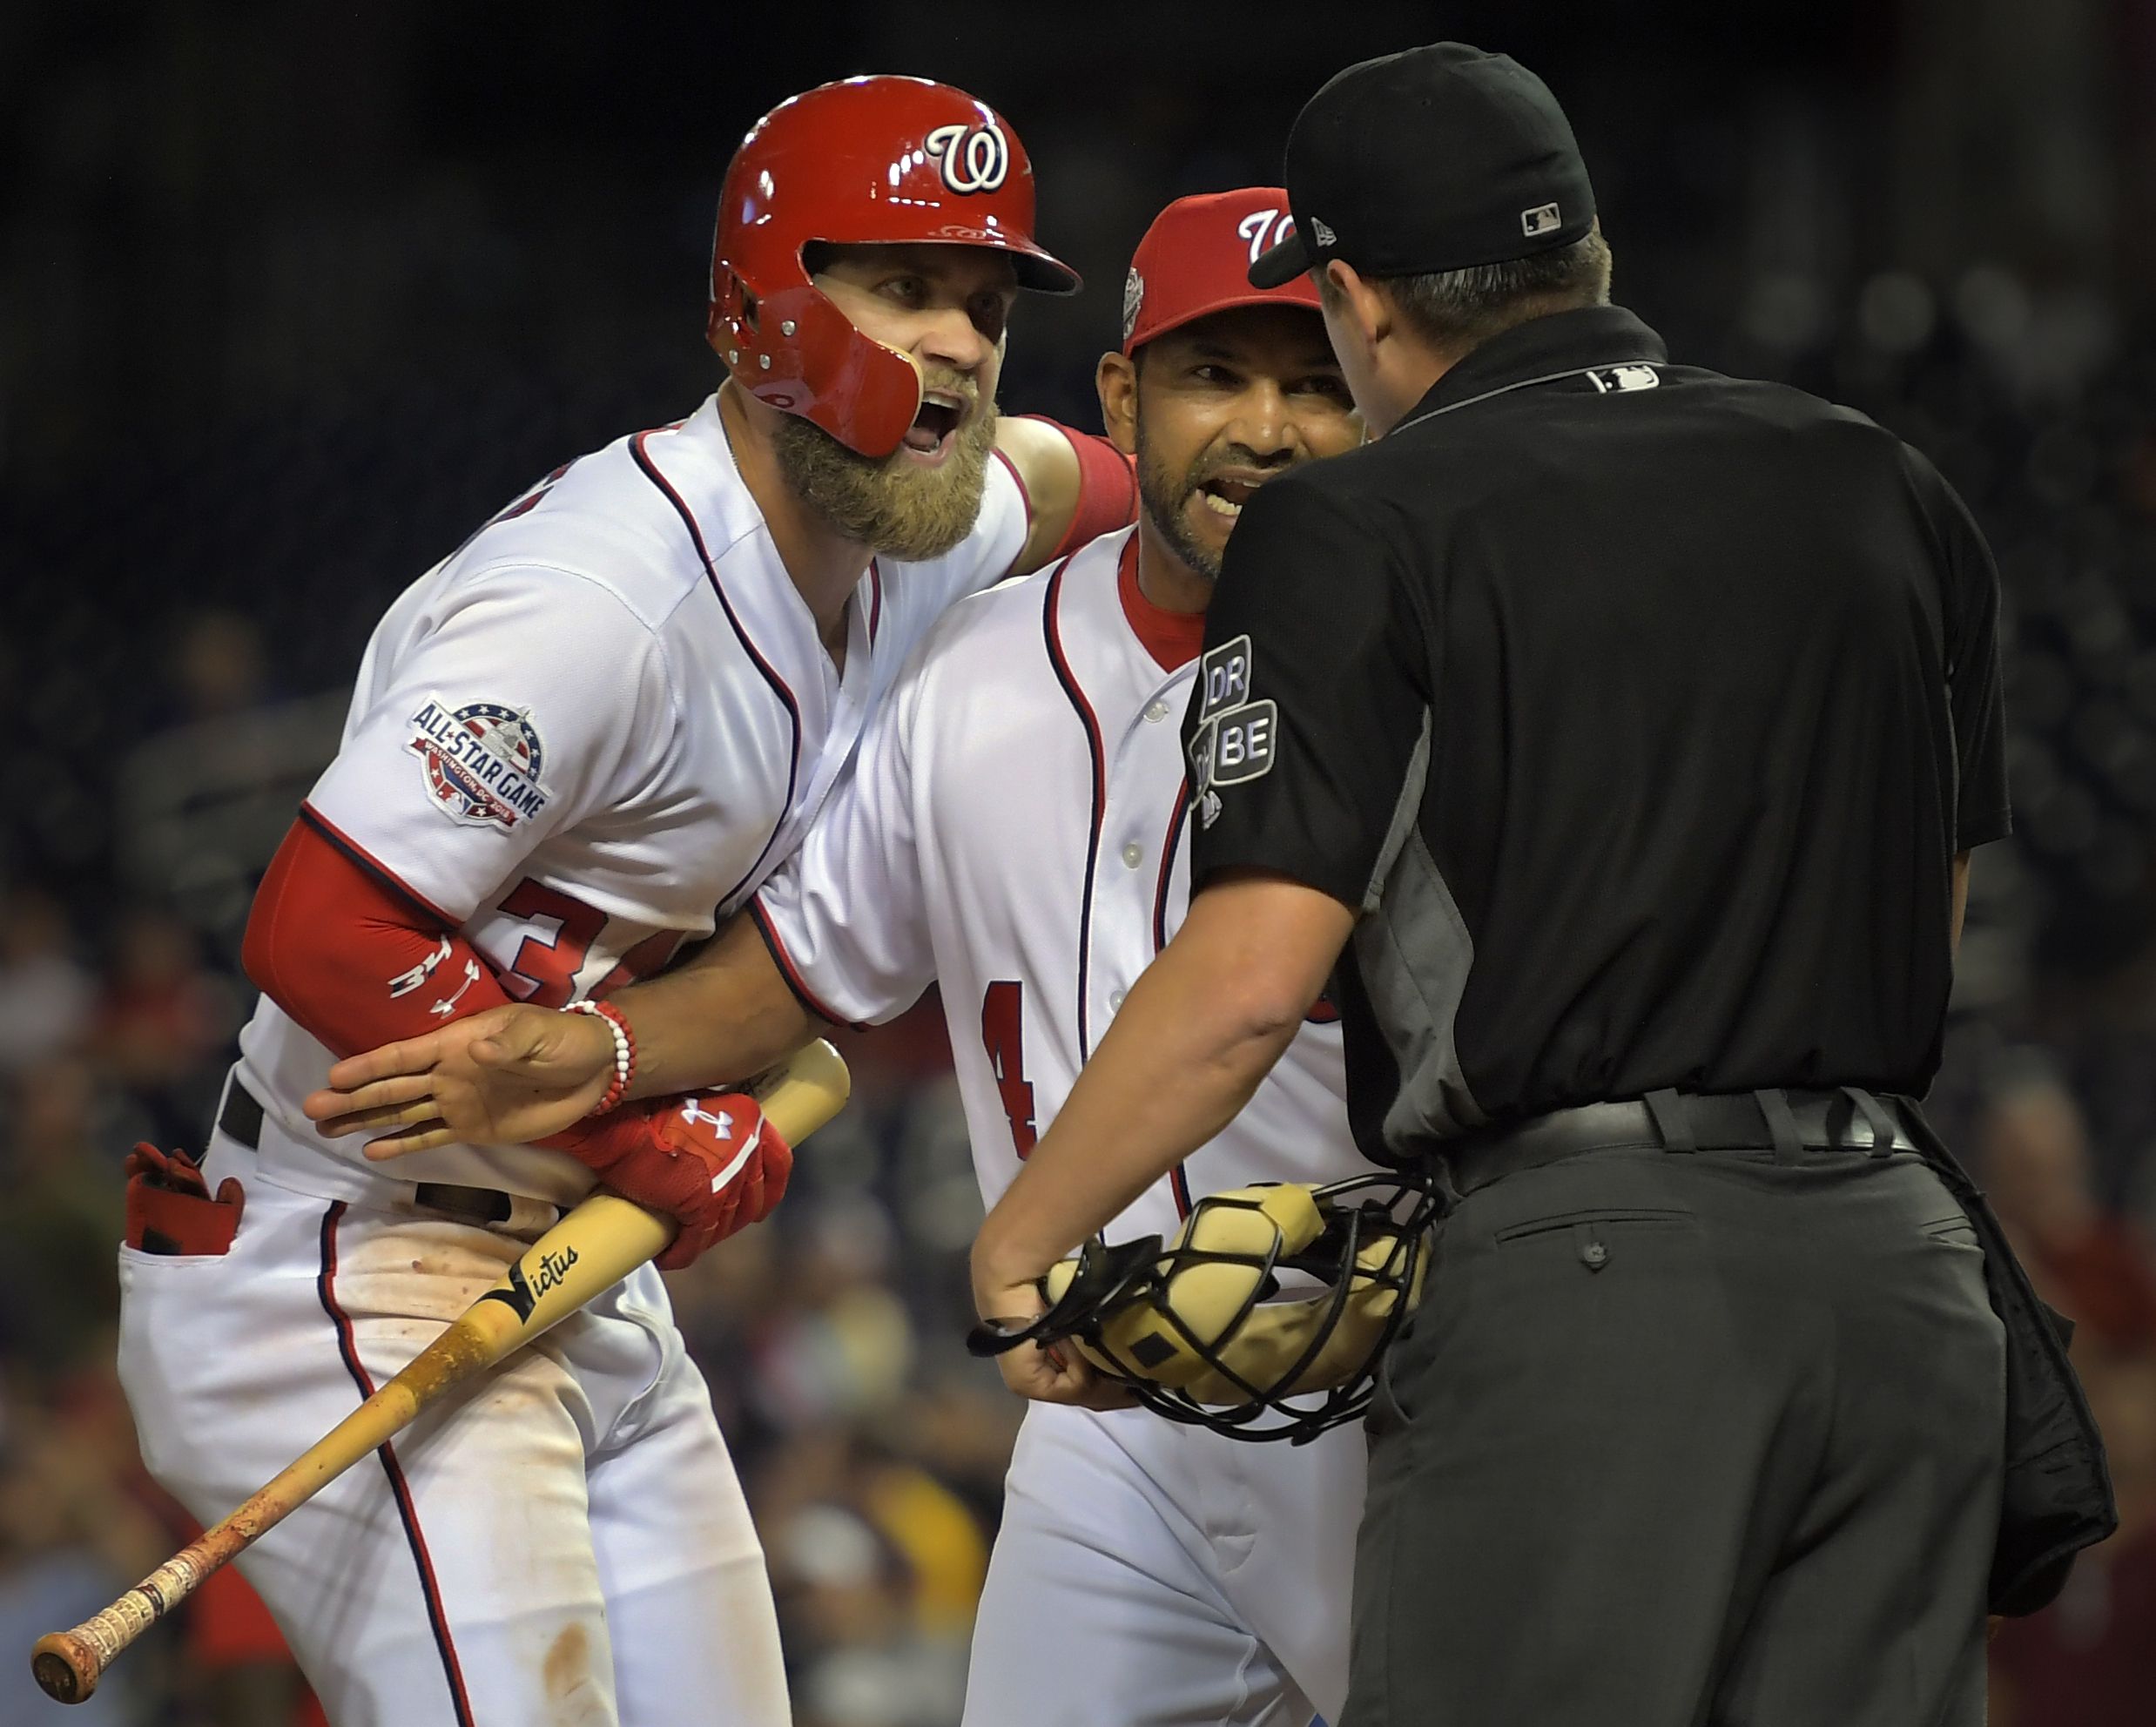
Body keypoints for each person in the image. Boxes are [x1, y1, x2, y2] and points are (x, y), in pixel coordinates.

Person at [961, 42, 2025, 1727]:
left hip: (1592, 1290)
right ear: (1589, 258)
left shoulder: (1361, 525)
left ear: (1363, 306)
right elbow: (1933, 924)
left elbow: (1250, 981)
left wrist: (1024, 1244)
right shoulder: (1882, 483)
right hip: (1900, 1268)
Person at [115, 75, 1138, 1727]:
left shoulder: (918, 528)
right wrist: (641, 1133)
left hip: (587, 1275)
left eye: (987, 298)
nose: (960, 337)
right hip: (350, 1260)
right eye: (905, 285)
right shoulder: (606, 599)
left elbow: (1099, 476)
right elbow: (316, 930)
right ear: (760, 304)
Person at [307, 188, 1375, 1725]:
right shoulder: (984, 665)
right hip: (1099, 1420)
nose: (1270, 430)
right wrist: (604, 1056)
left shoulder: (1459, 670)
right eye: (1219, 377)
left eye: (1321, 381)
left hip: (1375, 1396)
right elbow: (797, 975)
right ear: (1128, 400)